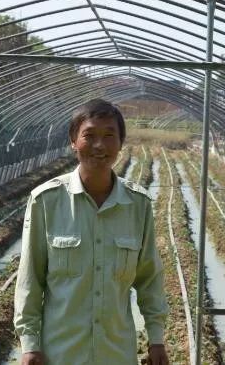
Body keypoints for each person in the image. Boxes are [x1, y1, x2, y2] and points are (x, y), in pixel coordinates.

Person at [14, 99, 169, 365]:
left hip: (116, 354)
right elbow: (30, 279)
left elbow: (149, 279)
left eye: (110, 136)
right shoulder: (46, 201)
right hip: (60, 354)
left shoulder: (137, 205)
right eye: (89, 135)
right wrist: (30, 344)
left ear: (121, 143)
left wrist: (156, 339)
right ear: (74, 141)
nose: (100, 145)